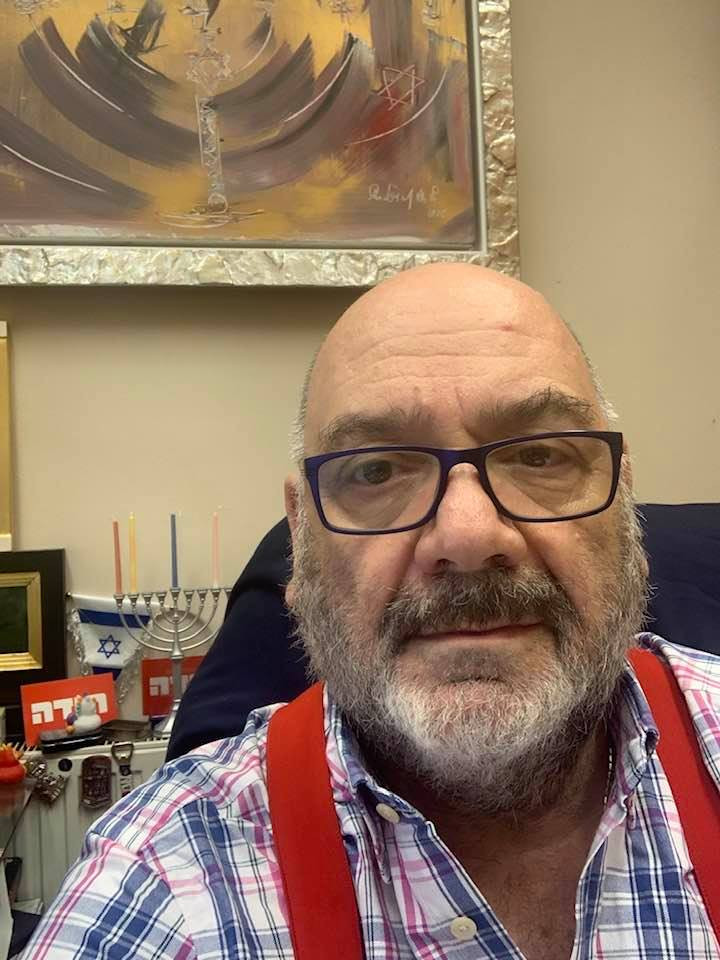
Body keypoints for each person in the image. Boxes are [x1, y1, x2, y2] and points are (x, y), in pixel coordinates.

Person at [23, 264, 720, 959]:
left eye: (539, 456)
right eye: (377, 471)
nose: (468, 535)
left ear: (623, 508)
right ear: (300, 539)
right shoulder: (161, 885)